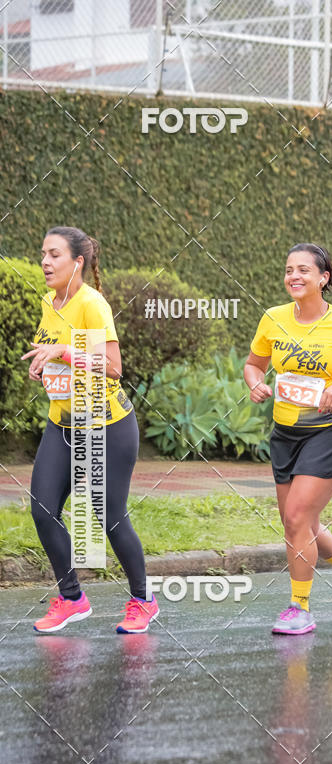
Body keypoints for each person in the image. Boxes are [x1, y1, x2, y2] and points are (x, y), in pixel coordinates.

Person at [22, 226, 159, 634]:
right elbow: (59, 355)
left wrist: (63, 352)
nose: (45, 262)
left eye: (54, 255)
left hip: (106, 427)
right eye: (43, 254)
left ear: (77, 261)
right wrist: (45, 365)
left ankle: (143, 600)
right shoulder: (50, 301)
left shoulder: (91, 304)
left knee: (109, 517)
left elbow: (113, 367)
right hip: (62, 423)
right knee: (43, 510)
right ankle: (72, 599)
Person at [244, 242, 332, 634]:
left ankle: (299, 608)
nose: (294, 276)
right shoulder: (273, 319)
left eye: (304, 270)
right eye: (289, 270)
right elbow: (254, 365)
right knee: (298, 524)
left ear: (323, 278)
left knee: (297, 516)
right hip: (286, 433)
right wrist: (255, 384)